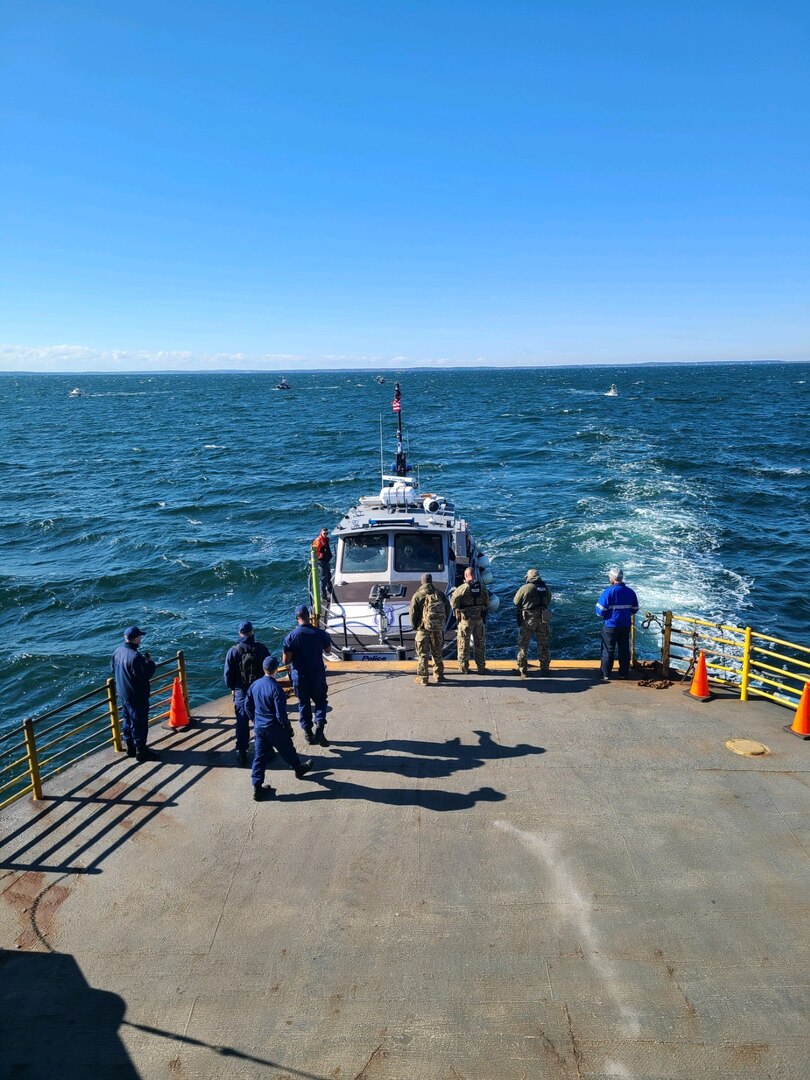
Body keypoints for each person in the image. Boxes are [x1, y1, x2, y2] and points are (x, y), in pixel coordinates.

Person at [245, 655, 313, 801]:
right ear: (276, 670)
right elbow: (280, 715)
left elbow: (247, 705)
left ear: (264, 669)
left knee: (259, 757)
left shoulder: (255, 685)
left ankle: (257, 787)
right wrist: (288, 728)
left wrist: (255, 720)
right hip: (273, 727)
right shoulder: (276, 689)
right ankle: (298, 769)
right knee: (287, 748)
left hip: (260, 728)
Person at [282, 605, 332, 746]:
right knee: (321, 701)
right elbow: (328, 651)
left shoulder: (290, 637)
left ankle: (308, 733)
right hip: (317, 675)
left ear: (297, 617)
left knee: (304, 705)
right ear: (309, 615)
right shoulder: (320, 633)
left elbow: (286, 660)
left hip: (300, 677)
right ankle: (320, 729)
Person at [224, 620, 270, 766]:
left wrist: (234, 688)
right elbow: (269, 669)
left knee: (242, 724)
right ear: (252, 632)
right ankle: (265, 750)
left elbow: (227, 676)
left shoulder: (233, 651)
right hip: (259, 692)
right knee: (261, 721)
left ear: (240, 633)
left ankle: (242, 753)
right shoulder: (261, 648)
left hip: (241, 693)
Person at [111, 625, 158, 762]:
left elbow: (113, 669)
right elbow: (144, 675)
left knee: (127, 720)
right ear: (136, 639)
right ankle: (141, 751)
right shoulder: (135, 657)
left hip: (123, 693)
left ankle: (130, 748)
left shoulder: (117, 651)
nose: (141, 638)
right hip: (136, 696)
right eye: (140, 636)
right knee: (139, 722)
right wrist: (150, 663)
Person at [595, 568, 639, 681]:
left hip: (611, 625)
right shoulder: (630, 592)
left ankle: (605, 674)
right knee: (624, 649)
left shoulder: (608, 592)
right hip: (625, 624)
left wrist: (608, 615)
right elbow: (635, 609)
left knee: (608, 649)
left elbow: (599, 612)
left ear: (612, 579)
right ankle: (623, 674)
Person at [409, 572, 451, 686]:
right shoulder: (440, 594)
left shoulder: (417, 595)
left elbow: (413, 613)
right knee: (437, 652)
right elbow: (448, 608)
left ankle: (423, 678)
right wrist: (442, 622)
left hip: (422, 629)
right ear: (431, 581)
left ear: (422, 582)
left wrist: (415, 626)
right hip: (437, 629)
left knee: (423, 654)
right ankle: (439, 675)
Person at [513, 569, 552, 676]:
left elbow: (516, 602)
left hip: (529, 618)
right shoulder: (545, 587)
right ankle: (545, 669)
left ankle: (522, 669)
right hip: (544, 617)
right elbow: (549, 600)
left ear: (529, 577)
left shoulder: (526, 587)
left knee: (523, 644)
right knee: (543, 644)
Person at [452, 567, 490, 674]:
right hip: (478, 620)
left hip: (465, 621)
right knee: (480, 644)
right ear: (475, 575)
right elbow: (487, 603)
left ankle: (464, 668)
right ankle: (481, 667)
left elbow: (453, 604)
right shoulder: (482, 588)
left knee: (464, 643)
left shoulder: (461, 589)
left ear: (465, 576)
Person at [312, 527, 333, 599]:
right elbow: (314, 551)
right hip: (322, 561)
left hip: (327, 560)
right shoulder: (318, 541)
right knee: (323, 578)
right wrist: (320, 555)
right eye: (324, 533)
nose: (326, 534)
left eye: (327, 533)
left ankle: (330, 589)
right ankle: (324, 596)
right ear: (321, 533)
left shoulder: (326, 539)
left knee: (329, 575)